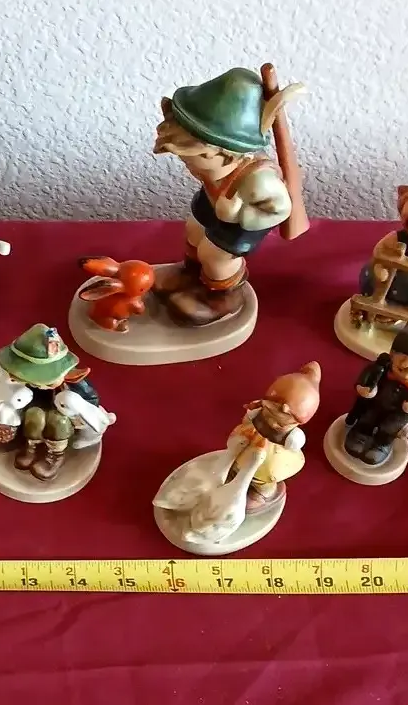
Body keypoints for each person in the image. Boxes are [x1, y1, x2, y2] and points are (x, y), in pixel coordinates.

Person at [153, 68, 305, 326]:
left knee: (214, 254)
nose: (188, 167)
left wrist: (240, 215)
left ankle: (222, 296)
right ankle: (191, 273)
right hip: (213, 202)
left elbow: (280, 209)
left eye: (191, 160)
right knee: (194, 230)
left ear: (223, 154)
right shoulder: (216, 168)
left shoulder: (258, 182)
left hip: (241, 223)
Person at [0, 324, 95, 481]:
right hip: (35, 411)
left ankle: (55, 454)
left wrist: (78, 411)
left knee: (58, 420)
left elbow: (91, 401)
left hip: (63, 419)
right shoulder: (25, 385)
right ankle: (31, 446)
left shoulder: (76, 386)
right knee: (34, 414)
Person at [227, 362, 322, 510]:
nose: (271, 422)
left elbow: (294, 444)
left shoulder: (292, 436)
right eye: (268, 412)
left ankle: (262, 493)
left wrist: (287, 437)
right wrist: (250, 419)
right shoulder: (261, 410)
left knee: (261, 477)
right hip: (251, 442)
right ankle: (235, 477)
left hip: (271, 455)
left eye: (279, 422)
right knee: (238, 461)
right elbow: (249, 417)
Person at [345, 325, 408, 466]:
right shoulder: (381, 368)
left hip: (398, 414)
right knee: (367, 419)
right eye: (401, 369)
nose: (406, 376)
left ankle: (381, 445)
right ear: (392, 355)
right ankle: (360, 435)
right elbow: (366, 376)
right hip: (376, 404)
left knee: (389, 429)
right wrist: (363, 388)